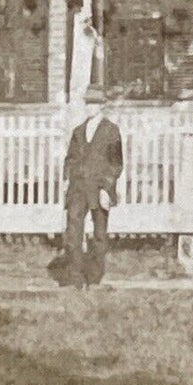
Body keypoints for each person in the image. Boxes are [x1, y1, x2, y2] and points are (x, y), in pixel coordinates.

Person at [57, 86, 124, 288]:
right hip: (78, 188)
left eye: (94, 103)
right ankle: (76, 277)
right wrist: (67, 179)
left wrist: (106, 188)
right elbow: (70, 159)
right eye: (88, 103)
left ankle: (94, 277)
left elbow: (116, 163)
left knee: (99, 234)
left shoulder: (111, 130)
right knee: (73, 232)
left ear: (102, 105)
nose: (90, 107)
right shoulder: (78, 131)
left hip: (99, 189)